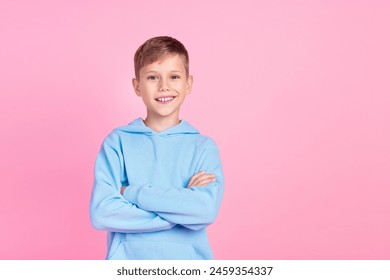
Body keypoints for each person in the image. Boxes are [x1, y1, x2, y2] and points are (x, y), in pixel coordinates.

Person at [89, 36, 224, 260]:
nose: (164, 86)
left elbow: (205, 210)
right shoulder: (118, 142)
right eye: (152, 77)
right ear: (137, 86)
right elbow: (102, 213)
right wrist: (182, 211)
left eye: (174, 77)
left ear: (188, 83)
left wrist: (131, 193)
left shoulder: (203, 148)